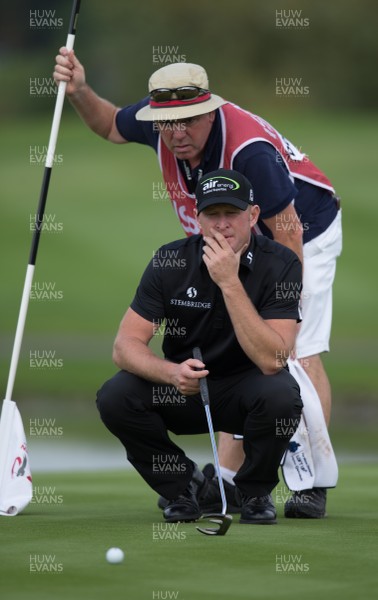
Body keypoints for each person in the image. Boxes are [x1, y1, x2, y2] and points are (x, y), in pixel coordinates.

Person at [54, 53, 342, 518]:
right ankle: (228, 484)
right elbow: (108, 125)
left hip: (303, 230)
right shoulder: (160, 123)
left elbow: (287, 231)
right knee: (231, 351)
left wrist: (282, 305)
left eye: (188, 121)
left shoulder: (249, 152)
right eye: (167, 124)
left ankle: (312, 483)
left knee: (295, 351)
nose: (176, 132)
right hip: (226, 233)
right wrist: (81, 91)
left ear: (210, 111)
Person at [96, 169, 303, 524]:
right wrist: (170, 372)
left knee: (282, 394)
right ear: (197, 217)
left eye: (232, 214)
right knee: (115, 395)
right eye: (212, 214)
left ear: (252, 216)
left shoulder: (281, 264)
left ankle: (254, 493)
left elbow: (274, 358)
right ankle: (182, 488)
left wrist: (229, 282)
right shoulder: (170, 261)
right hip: (185, 389)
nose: (221, 225)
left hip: (248, 390)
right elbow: (124, 346)